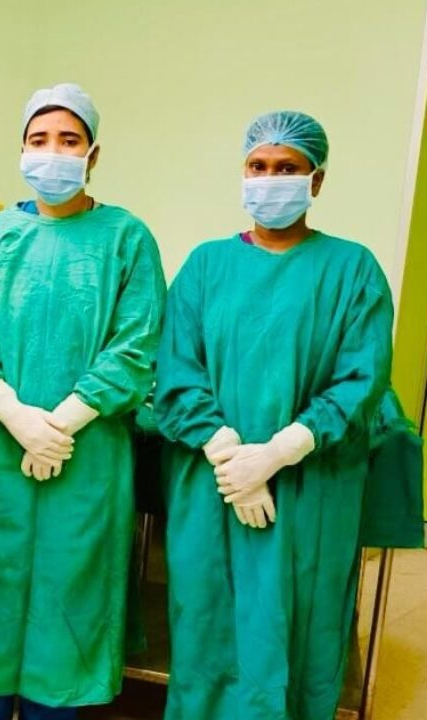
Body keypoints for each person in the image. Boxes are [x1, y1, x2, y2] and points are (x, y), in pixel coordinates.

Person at [154, 111, 395, 719]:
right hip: (212, 485)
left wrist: (278, 452)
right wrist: (228, 455)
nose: (269, 179)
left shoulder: (353, 269)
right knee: (208, 621)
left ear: (317, 181)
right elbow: (177, 372)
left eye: (287, 168)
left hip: (310, 489)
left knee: (300, 622)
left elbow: (361, 380)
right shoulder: (205, 266)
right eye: (257, 166)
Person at [0, 83, 166, 719]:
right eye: (39, 139)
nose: (53, 152)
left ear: (94, 154)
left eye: (69, 140)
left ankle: (52, 711)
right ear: (21, 149)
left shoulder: (126, 238)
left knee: (71, 585)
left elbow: (137, 343)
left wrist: (65, 420)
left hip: (86, 453)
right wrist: (10, 411)